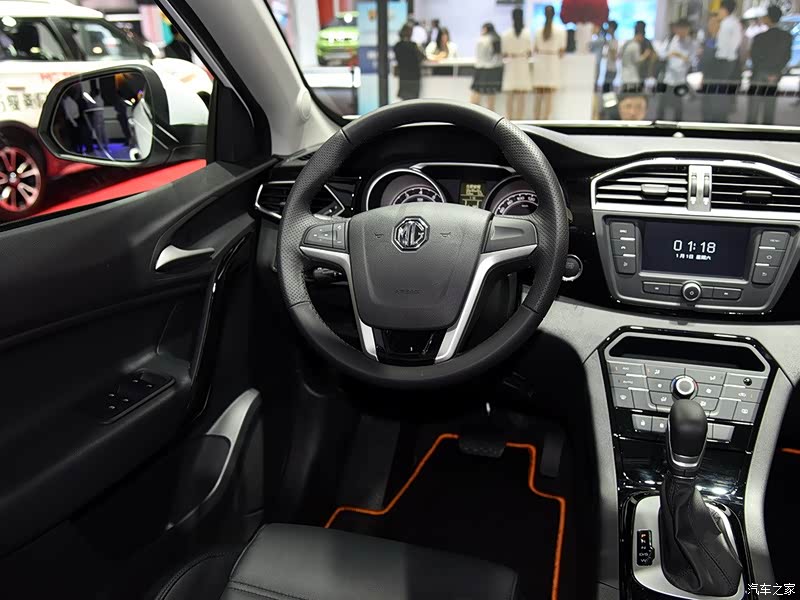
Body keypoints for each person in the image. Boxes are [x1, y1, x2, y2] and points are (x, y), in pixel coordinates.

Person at [747, 5, 792, 125]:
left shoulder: (759, 38)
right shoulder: (786, 37)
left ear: (768, 18)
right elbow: (787, 57)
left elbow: (754, 57)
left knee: (753, 107)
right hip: (774, 74)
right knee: (770, 106)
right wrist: (776, 71)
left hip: (759, 73)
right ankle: (767, 131)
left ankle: (750, 131)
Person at [531, 5, 567, 120]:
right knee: (549, 96)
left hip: (540, 62)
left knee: (538, 95)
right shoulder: (561, 31)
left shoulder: (537, 31)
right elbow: (562, 51)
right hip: (552, 63)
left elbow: (534, 49)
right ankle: (546, 120)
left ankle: (536, 119)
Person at [657, 19, 694, 121]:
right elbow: (661, 54)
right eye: (680, 29)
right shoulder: (670, 40)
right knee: (662, 106)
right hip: (668, 78)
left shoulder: (691, 43)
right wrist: (669, 54)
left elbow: (692, 60)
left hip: (680, 80)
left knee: (678, 108)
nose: (682, 31)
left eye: (685, 29)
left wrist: (680, 55)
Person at [712, 0, 743, 122]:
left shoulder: (729, 23)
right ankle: (721, 113)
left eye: (720, 9)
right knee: (722, 88)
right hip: (726, 59)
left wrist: (726, 57)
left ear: (725, 10)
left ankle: (721, 115)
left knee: (722, 88)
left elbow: (730, 44)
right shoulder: (730, 22)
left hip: (725, 60)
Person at [501, 7, 533, 120]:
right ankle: (520, 121)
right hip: (522, 64)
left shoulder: (506, 34)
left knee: (509, 96)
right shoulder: (527, 33)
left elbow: (504, 53)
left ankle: (509, 120)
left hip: (511, 65)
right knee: (521, 97)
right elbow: (530, 52)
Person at [470, 23, 504, 111]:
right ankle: (491, 117)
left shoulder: (481, 40)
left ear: (485, 29)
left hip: (481, 69)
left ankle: (471, 114)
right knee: (491, 100)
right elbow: (499, 56)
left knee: (475, 97)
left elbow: (479, 56)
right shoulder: (496, 38)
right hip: (494, 70)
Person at [394, 24, 426, 101]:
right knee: (413, 102)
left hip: (403, 77)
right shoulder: (413, 46)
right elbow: (422, 57)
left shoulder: (397, 46)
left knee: (404, 102)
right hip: (413, 77)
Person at [699, 13, 721, 122]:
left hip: (718, 79)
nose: (711, 25)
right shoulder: (707, 40)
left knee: (716, 110)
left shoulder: (721, 42)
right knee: (706, 108)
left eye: (714, 22)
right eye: (710, 22)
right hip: (707, 78)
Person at [621, 22, 652, 93]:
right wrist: (645, 55)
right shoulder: (635, 45)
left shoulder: (627, 43)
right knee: (633, 95)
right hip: (632, 75)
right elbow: (637, 60)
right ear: (640, 35)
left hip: (624, 73)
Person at [603, 21, 619, 93]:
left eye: (609, 27)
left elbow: (614, 57)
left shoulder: (614, 41)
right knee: (607, 90)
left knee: (607, 91)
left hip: (611, 69)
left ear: (612, 28)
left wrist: (611, 49)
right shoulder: (611, 40)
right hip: (609, 68)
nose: (607, 29)